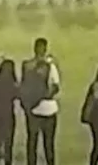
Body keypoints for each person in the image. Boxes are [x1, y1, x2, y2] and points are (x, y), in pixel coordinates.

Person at [22, 37, 60, 165]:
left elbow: (55, 86)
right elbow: (55, 87)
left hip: (37, 109)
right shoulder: (47, 66)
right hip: (44, 109)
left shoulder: (29, 65)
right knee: (44, 144)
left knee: (36, 143)